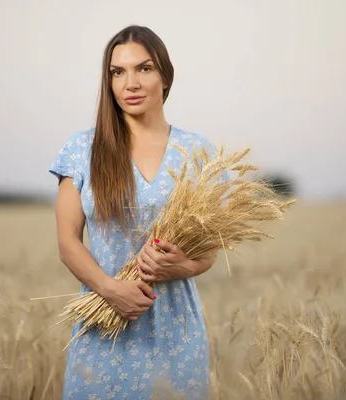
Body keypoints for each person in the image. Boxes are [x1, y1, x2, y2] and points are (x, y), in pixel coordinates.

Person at [49, 25, 223, 399]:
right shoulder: (82, 149)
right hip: (103, 333)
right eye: (118, 72)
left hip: (176, 333)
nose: (131, 82)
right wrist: (112, 290)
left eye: (143, 69)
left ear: (165, 75)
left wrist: (184, 267)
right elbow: (67, 242)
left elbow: (209, 249)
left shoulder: (199, 153)